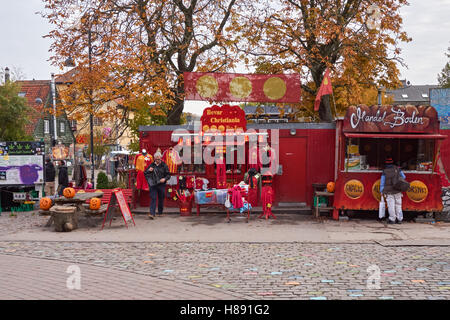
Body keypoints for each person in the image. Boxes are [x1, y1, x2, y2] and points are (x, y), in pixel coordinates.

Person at [144, 151, 171, 219]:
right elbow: (145, 173)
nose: (157, 161)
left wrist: (164, 179)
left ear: (161, 158)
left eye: (158, 159)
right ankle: (152, 213)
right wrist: (148, 171)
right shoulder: (151, 165)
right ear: (154, 158)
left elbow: (168, 175)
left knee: (161, 198)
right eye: (156, 159)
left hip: (161, 184)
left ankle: (160, 212)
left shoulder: (164, 165)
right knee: (153, 198)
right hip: (153, 184)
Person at [380, 157, 405, 224]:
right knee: (398, 204)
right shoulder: (398, 169)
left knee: (391, 205)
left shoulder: (384, 171)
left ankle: (392, 219)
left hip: (389, 191)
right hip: (398, 190)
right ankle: (399, 219)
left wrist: (381, 191)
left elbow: (382, 182)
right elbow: (404, 177)